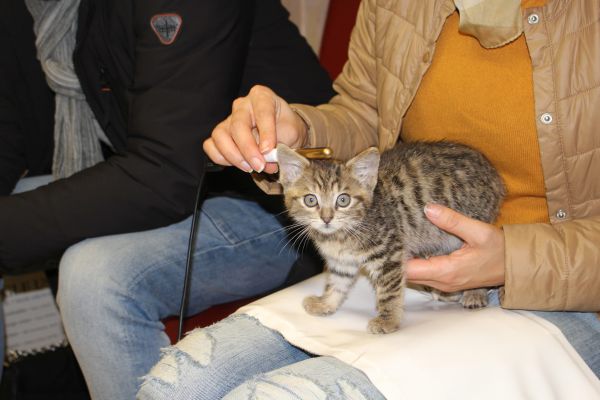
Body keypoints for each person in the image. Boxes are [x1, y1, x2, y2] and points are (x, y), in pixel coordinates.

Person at [137, 0, 600, 398]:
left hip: (561, 285)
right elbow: (363, 108)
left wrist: (513, 259)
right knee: (176, 386)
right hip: (412, 255)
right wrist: (300, 133)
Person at [0, 0, 334, 398]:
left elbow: (166, 172)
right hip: (172, 181)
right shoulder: (35, 9)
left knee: (94, 277)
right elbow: (9, 135)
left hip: (282, 204)